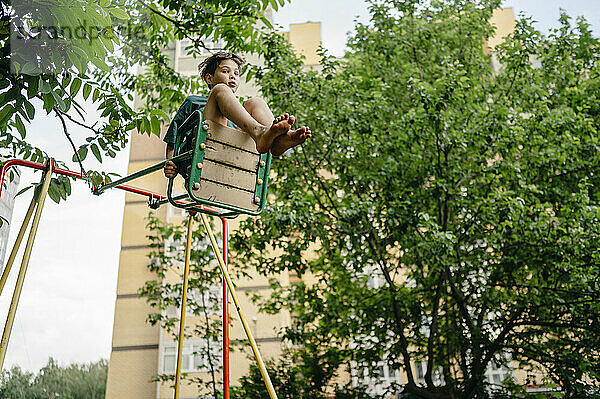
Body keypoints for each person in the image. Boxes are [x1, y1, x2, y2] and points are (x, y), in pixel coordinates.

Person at [163, 51, 311, 179]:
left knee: (255, 102)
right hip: (206, 154)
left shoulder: (239, 113)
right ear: (209, 78)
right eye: (226, 71)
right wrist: (170, 162)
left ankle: (278, 142)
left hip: (233, 157)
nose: (232, 76)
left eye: (236, 73)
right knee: (220, 90)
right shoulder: (194, 102)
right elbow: (173, 137)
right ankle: (260, 132)